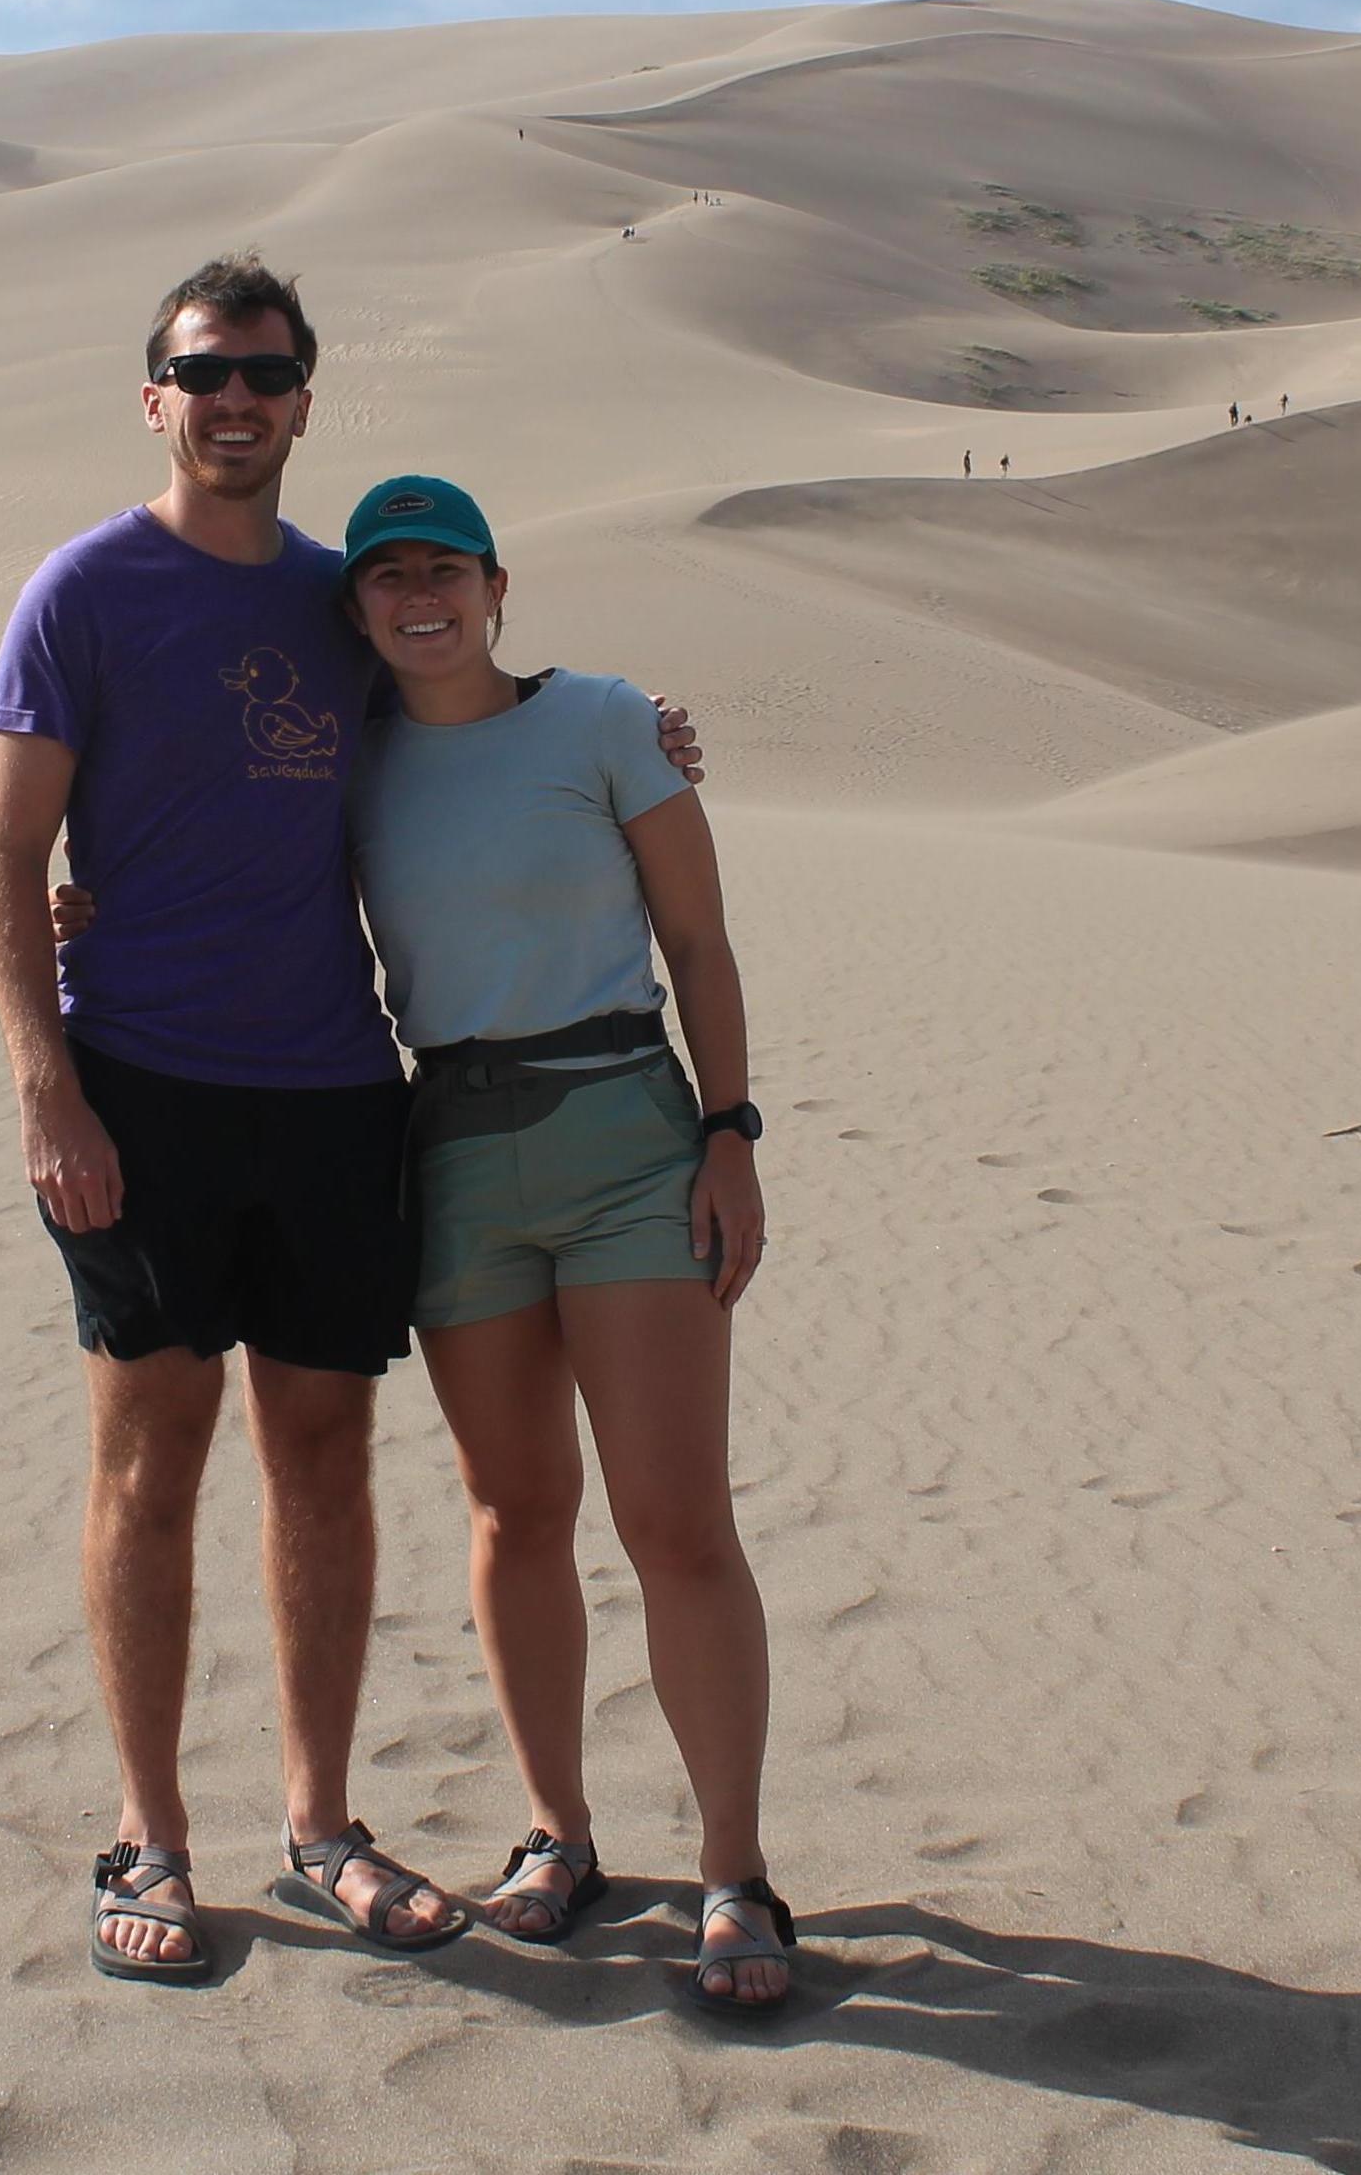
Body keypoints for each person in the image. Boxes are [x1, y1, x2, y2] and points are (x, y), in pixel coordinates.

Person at [0, 258, 699, 1985]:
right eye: (203, 372)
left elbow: (470, 714)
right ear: (154, 394)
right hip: (140, 1087)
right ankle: (149, 1831)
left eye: (268, 376)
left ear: (304, 402)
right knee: (150, 1461)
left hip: (333, 1092)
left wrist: (636, 733)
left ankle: (319, 1823)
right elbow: (7, 856)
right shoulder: (82, 594)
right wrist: (47, 1086)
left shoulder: (336, 600)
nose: (237, 402)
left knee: (324, 1460)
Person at [338, 472, 793, 2015]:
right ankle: (561, 1835)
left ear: (497, 585)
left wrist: (730, 1134)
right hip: (453, 1149)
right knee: (514, 1510)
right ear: (356, 605)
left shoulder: (603, 721)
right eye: (386, 573)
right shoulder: (349, 760)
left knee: (676, 1520)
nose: (420, 595)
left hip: (623, 1133)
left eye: (444, 569)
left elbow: (702, 942)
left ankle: (734, 1870)